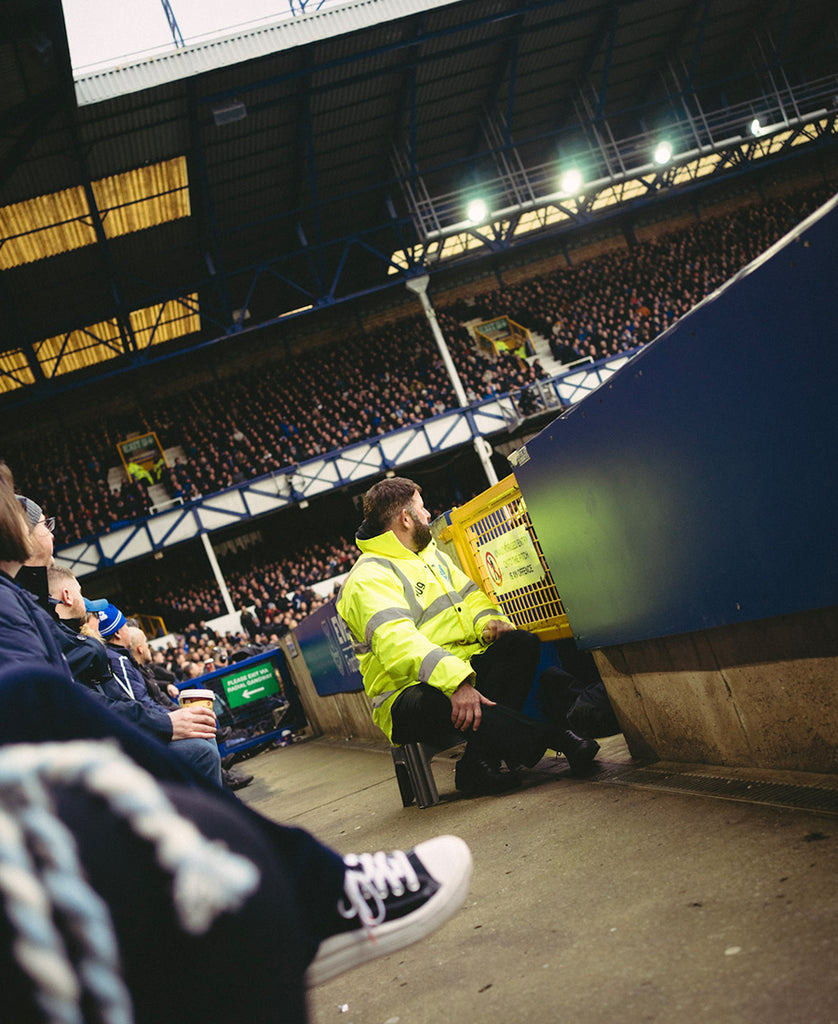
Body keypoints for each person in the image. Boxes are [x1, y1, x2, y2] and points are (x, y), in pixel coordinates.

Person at [0, 462, 473, 1019]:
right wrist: (160, 723)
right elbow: (33, 703)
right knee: (50, 702)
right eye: (12, 496)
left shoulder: (19, 599)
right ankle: (315, 894)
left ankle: (292, 897)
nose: (33, 515)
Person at [337, 477, 599, 797]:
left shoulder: (431, 555)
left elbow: (472, 599)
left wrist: (489, 624)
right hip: (406, 695)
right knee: (440, 697)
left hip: (458, 670)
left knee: (521, 644)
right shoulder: (367, 577)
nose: (427, 513)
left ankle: (477, 762)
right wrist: (456, 683)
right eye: (422, 508)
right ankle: (558, 739)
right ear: (406, 518)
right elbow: (397, 643)